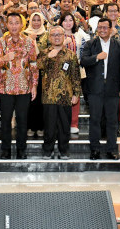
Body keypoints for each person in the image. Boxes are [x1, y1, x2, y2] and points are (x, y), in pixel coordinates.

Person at [81, 17, 120, 160]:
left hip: (112, 89)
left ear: (110, 29)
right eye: (99, 27)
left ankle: (112, 149)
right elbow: (83, 61)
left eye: (105, 27)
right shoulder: (90, 44)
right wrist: (97, 57)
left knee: (112, 121)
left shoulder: (119, 45)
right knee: (95, 120)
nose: (102, 30)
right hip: (95, 89)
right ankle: (95, 149)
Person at [0, 12, 38, 159]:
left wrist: (34, 85)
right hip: (5, 87)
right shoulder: (1, 42)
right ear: (7, 24)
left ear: (21, 24)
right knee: (5, 120)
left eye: (16, 23)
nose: (14, 26)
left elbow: (33, 64)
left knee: (22, 120)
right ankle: (5, 150)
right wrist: (5, 58)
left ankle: (21, 149)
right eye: (11, 23)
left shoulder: (29, 42)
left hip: (24, 87)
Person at [37, 26, 81, 159]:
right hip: (48, 96)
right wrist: (48, 57)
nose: (56, 37)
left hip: (65, 96)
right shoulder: (44, 53)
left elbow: (75, 76)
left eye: (59, 35)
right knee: (49, 126)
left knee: (64, 126)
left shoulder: (70, 55)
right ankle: (47, 150)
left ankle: (64, 150)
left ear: (64, 37)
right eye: (54, 35)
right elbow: (38, 66)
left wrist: (76, 93)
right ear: (50, 38)